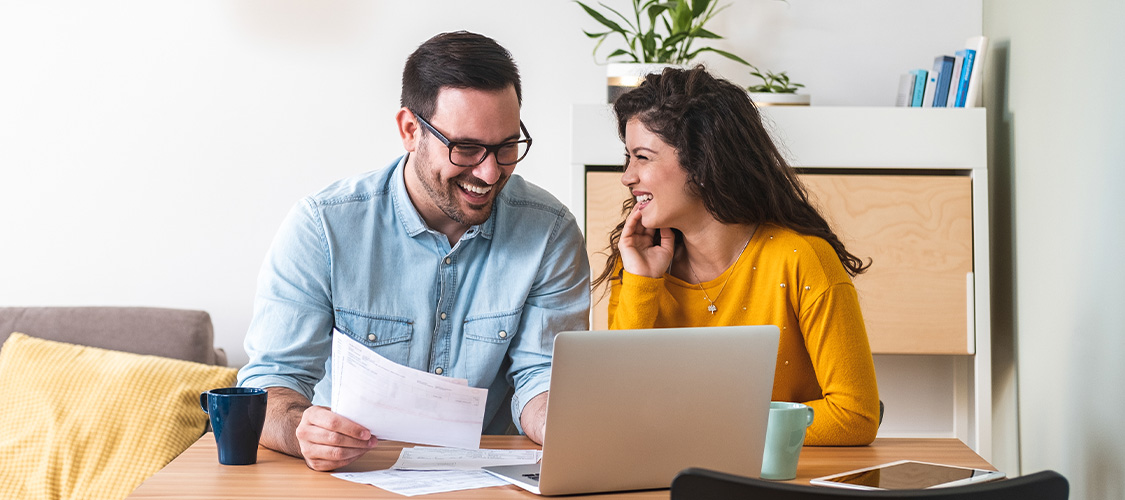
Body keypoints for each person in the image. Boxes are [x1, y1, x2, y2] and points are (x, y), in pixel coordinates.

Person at [238, 31, 590, 471]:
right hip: (348, 476)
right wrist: (303, 431)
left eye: (505, 147)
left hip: (486, 478)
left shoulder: (550, 231)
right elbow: (271, 384)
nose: (489, 171)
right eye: (466, 148)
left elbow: (541, 376)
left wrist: (563, 423)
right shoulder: (322, 227)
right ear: (410, 130)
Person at [594, 66, 879, 445]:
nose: (627, 176)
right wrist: (643, 284)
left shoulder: (802, 258)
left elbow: (855, 415)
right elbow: (618, 410)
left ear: (702, 164)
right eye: (627, 158)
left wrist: (714, 427)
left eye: (642, 157)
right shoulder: (635, 265)